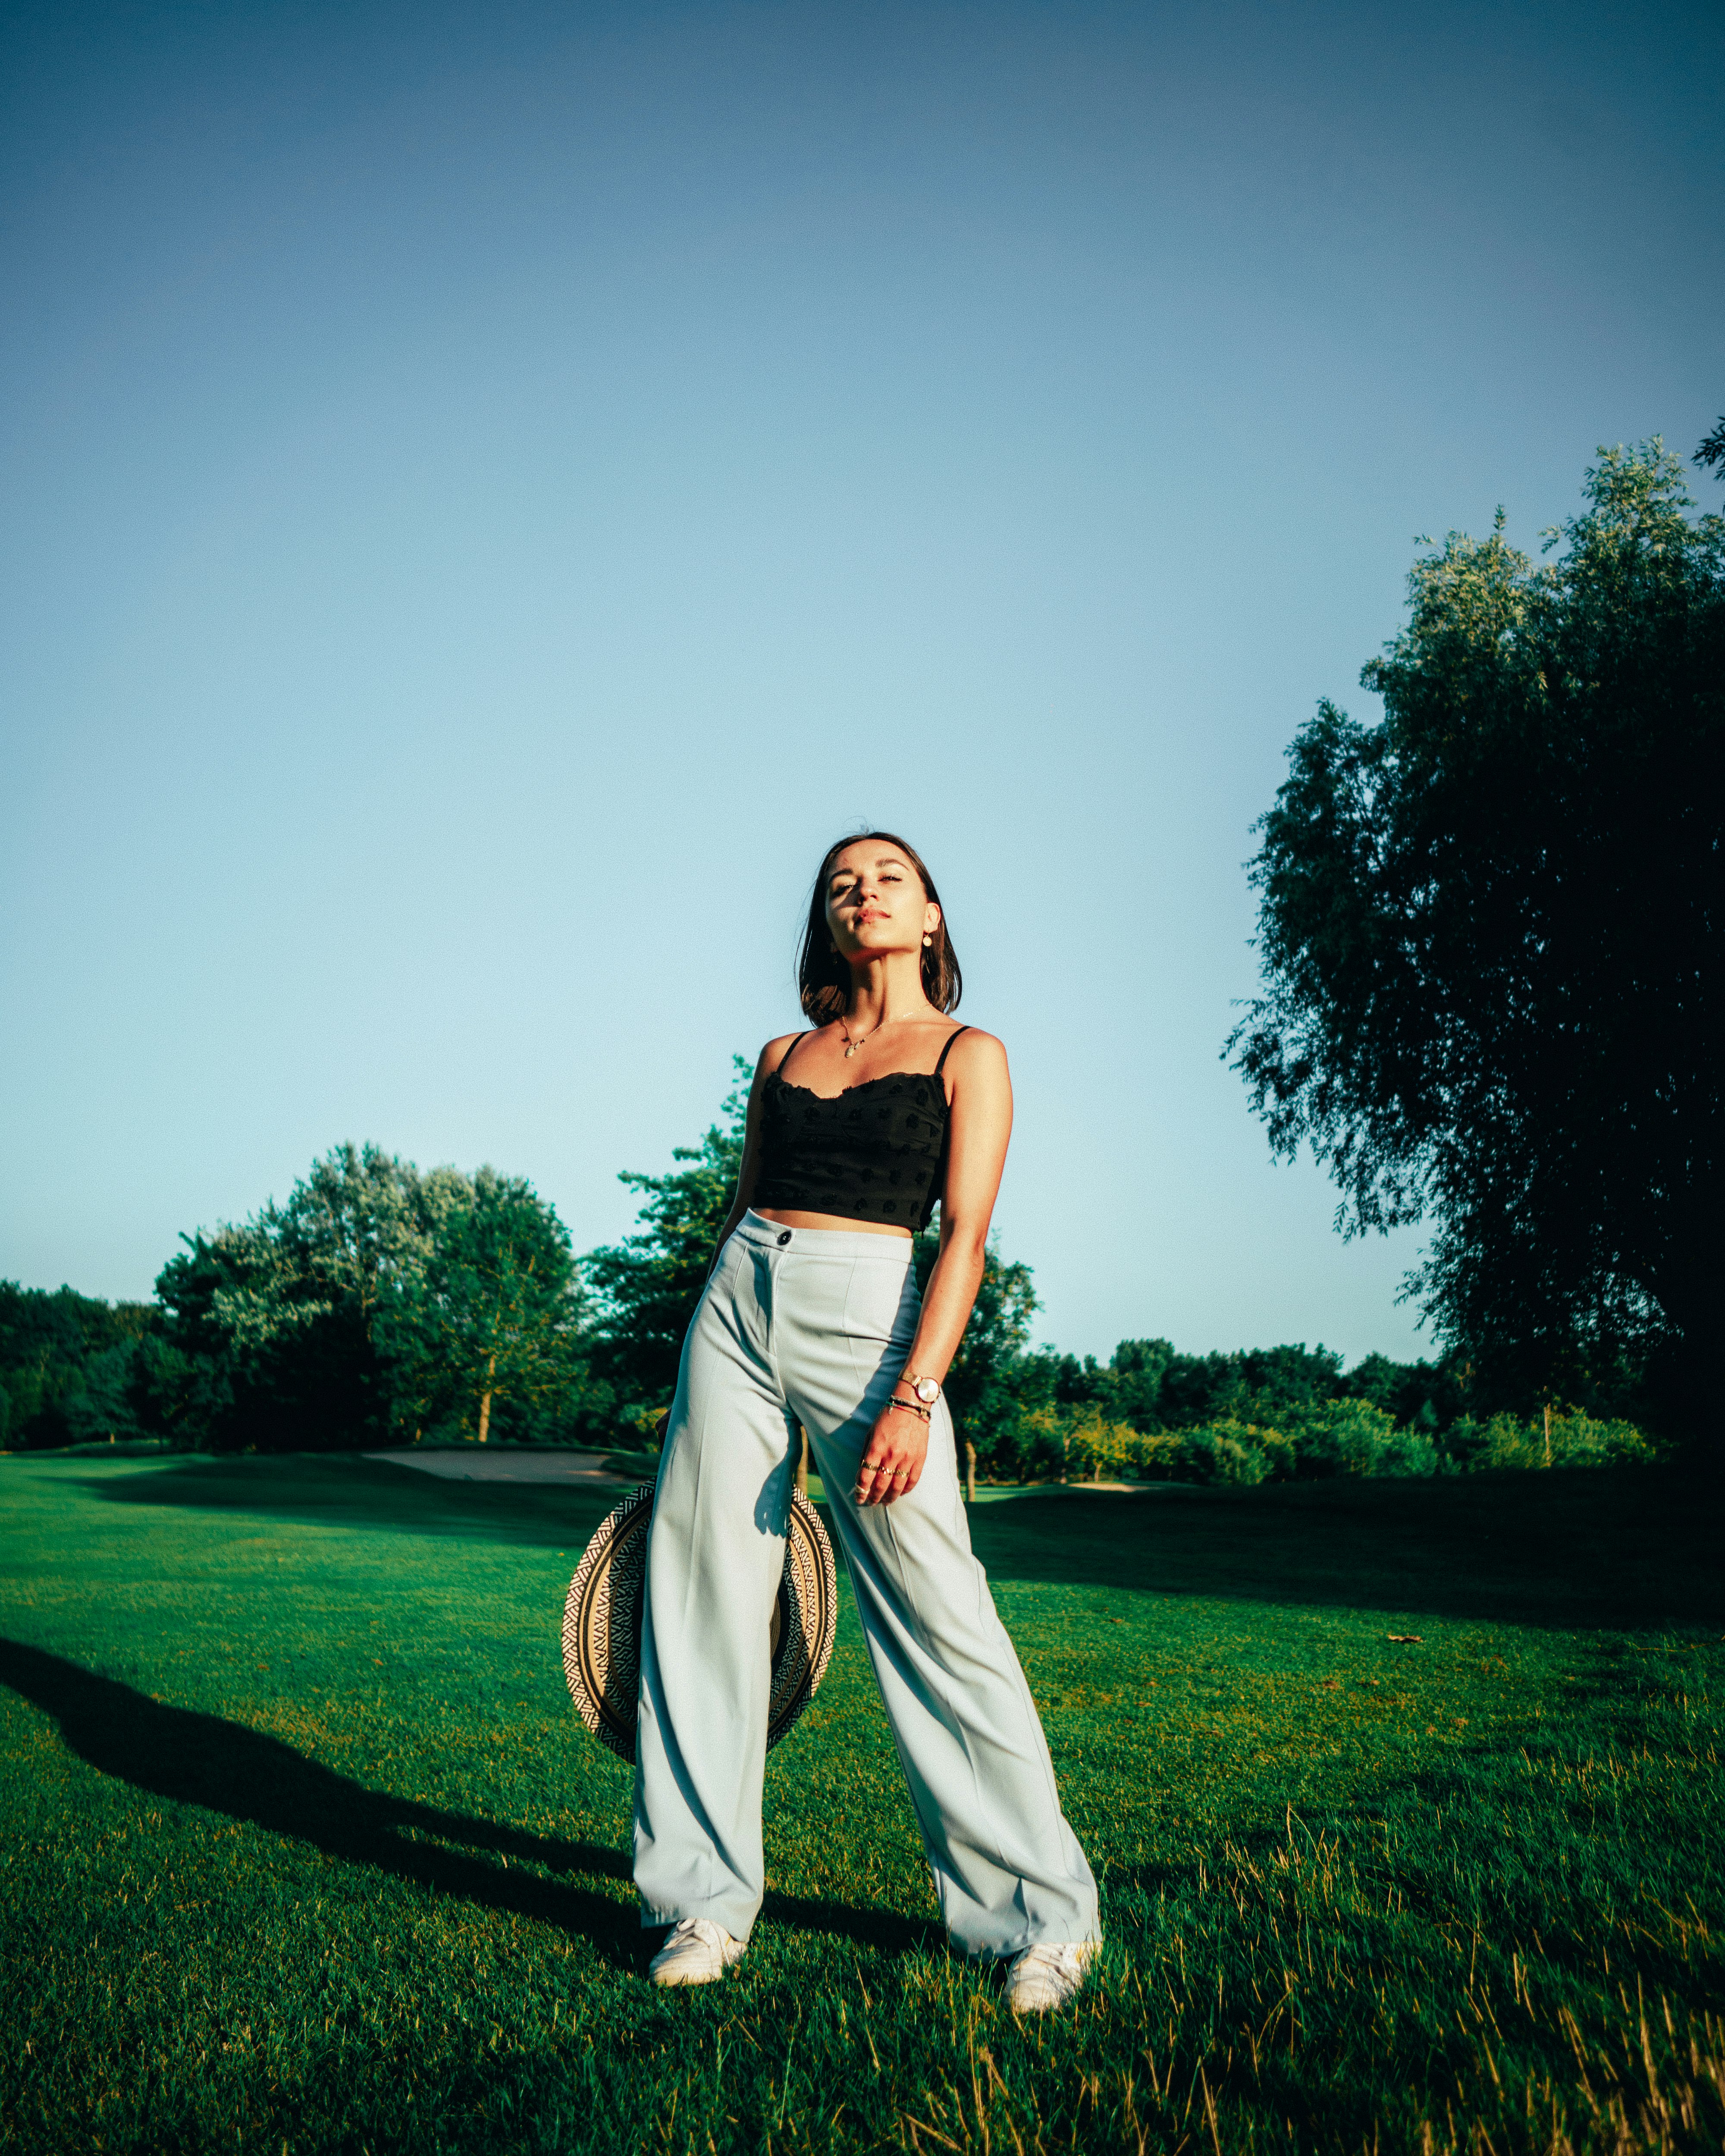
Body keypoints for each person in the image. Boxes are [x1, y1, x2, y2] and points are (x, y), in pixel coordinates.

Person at [633, 830, 1101, 2012]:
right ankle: (699, 1904)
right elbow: (741, 1207)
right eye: (843, 883)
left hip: (874, 1316)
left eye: (890, 877)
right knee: (699, 1603)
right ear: (826, 923)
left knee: (941, 1615)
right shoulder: (782, 1054)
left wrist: (917, 1394)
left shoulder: (967, 1053)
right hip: (740, 1300)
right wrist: (702, 1335)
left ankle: (1040, 1923)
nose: (864, 892)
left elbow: (967, 1239)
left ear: (932, 918)